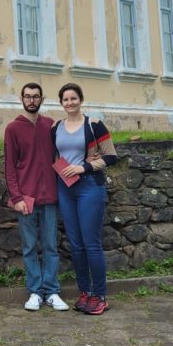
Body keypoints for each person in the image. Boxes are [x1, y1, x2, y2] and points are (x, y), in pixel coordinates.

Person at [53, 83, 118, 316]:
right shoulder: (56, 127)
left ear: (80, 99)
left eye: (73, 98)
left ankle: (100, 295)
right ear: (61, 103)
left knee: (91, 243)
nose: (69, 103)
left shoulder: (94, 125)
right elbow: (56, 156)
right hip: (65, 188)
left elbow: (111, 156)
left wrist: (84, 167)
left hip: (89, 186)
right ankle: (85, 292)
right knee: (76, 245)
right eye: (65, 100)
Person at [4, 83, 69, 312]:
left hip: (50, 197)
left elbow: (59, 156)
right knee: (30, 246)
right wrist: (17, 197)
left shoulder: (50, 125)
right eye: (28, 96)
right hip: (26, 198)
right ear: (21, 98)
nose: (32, 100)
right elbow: (10, 167)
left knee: (51, 246)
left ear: (42, 99)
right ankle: (35, 291)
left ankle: (51, 291)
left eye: (36, 97)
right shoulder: (13, 128)